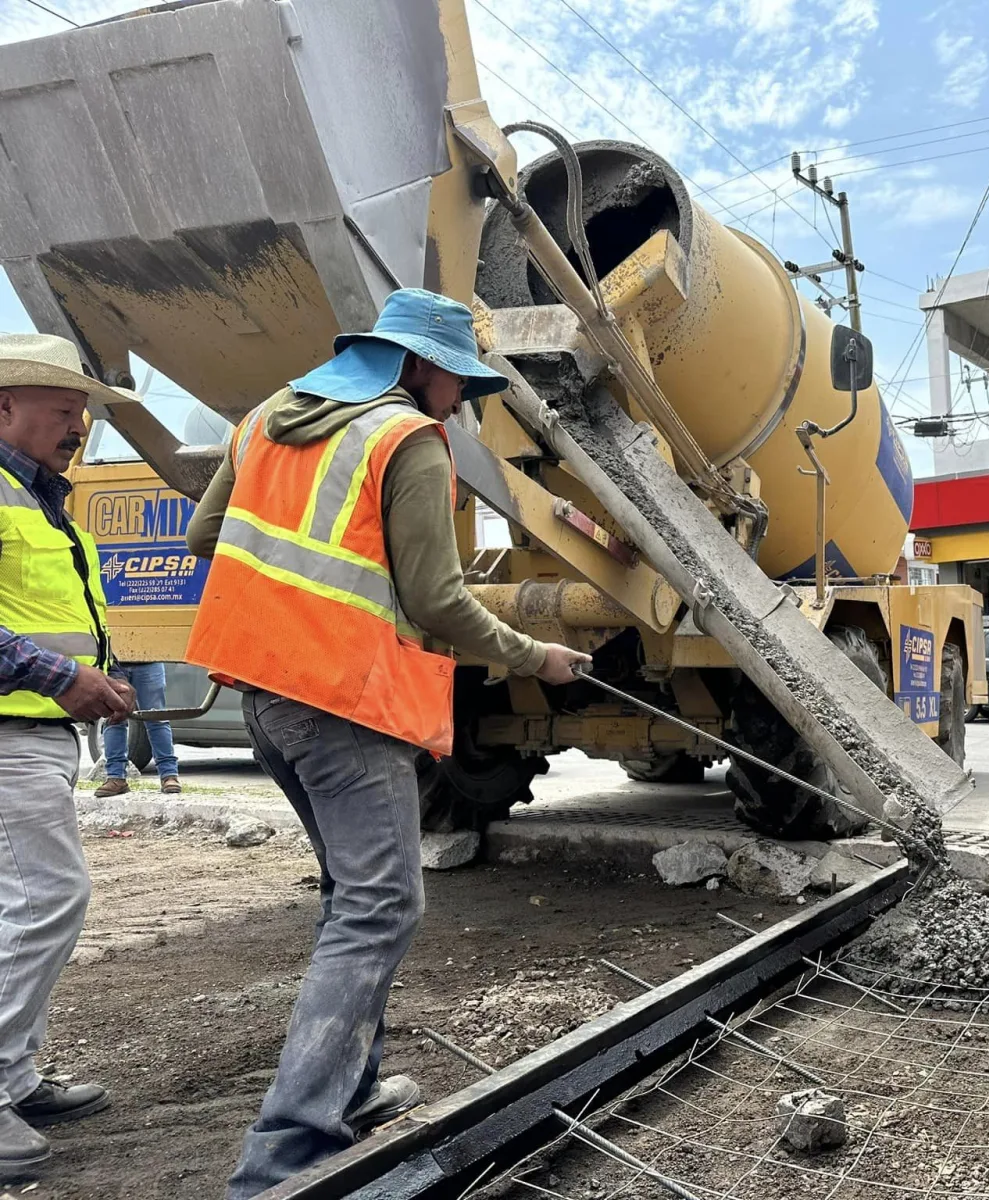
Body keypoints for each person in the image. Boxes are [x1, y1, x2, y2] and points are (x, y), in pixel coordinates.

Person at [185, 289, 593, 1197]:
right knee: (381, 907)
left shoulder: (264, 420)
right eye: (461, 384)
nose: (463, 402)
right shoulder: (404, 439)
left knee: (351, 896)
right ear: (421, 365)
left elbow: (209, 534)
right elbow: (440, 599)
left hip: (267, 700)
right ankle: (286, 1154)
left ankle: (356, 1090)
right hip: (344, 703)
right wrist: (541, 658)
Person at [0, 333, 135, 1175]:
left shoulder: (40, 499)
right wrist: (61, 679)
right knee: (50, 899)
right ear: (4, 406)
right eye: (63, 408)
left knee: (26, 904)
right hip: (11, 732)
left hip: (34, 732)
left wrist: (101, 678)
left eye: (82, 410)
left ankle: (14, 1074)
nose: (78, 423)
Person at [94, 661, 182, 796]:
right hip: (116, 662)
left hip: (149, 659)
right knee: (114, 717)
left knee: (156, 717)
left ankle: (169, 775)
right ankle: (116, 777)